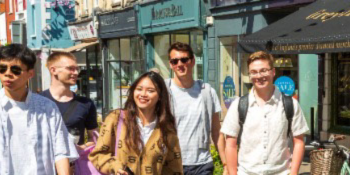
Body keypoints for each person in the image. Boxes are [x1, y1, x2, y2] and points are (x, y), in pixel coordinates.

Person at [0, 44, 78, 175]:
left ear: (30, 73)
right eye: (2, 69)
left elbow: (61, 153)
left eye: (15, 70)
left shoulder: (47, 108)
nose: (8, 74)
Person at [221, 51, 309, 175]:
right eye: (254, 72)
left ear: (273, 72)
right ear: (250, 75)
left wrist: (293, 173)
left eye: (263, 70)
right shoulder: (239, 105)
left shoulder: (290, 104)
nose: (259, 76)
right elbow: (230, 144)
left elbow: (299, 141)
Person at [89, 71, 183, 175]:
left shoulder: (166, 127)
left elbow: (174, 168)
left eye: (150, 91)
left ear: (160, 96)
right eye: (139, 89)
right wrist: (116, 167)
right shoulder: (116, 119)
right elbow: (98, 155)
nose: (143, 94)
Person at [165, 42, 226, 175]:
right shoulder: (163, 91)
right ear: (170, 65)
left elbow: (216, 131)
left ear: (192, 61)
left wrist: (226, 164)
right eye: (174, 61)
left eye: (184, 59)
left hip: (202, 164)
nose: (179, 64)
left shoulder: (207, 91)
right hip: (171, 164)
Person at [41, 52, 98, 148]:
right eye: (70, 68)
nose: (76, 73)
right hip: (44, 161)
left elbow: (94, 138)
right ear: (53, 70)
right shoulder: (38, 101)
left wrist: (79, 148)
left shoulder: (85, 103)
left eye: (77, 69)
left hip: (73, 162)